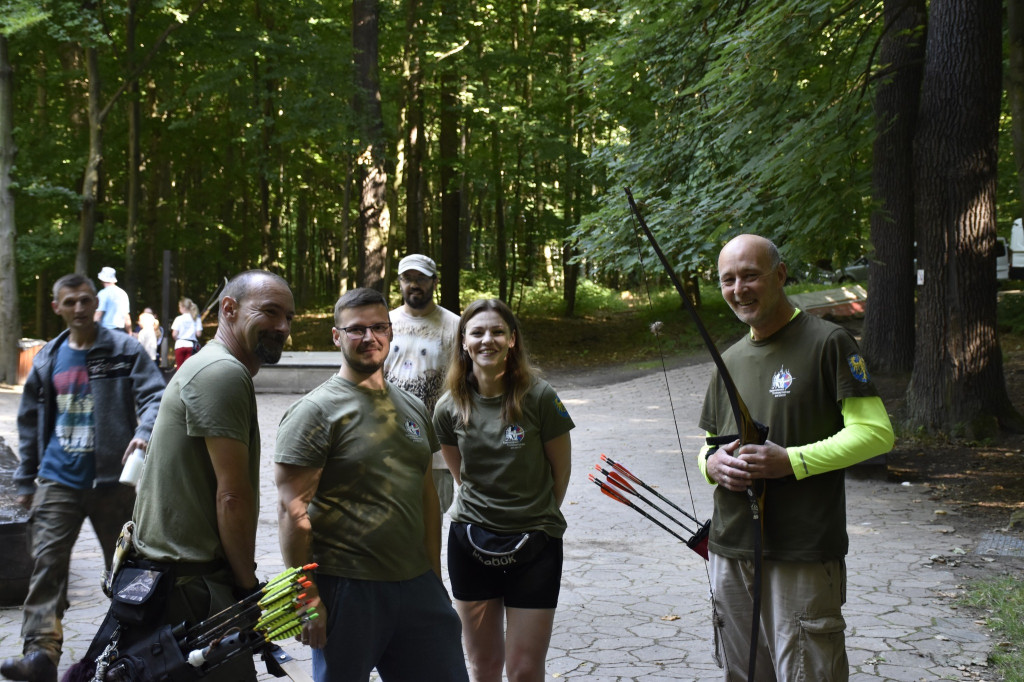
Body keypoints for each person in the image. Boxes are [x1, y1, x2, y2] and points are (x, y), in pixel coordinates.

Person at [697, 234, 895, 681]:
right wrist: (711, 466)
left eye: (750, 275)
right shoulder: (727, 359)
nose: (739, 289)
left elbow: (876, 433)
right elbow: (710, 445)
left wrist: (791, 461)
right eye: (728, 280)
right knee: (743, 673)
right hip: (729, 548)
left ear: (780, 274)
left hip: (801, 549)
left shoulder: (828, 342)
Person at [275, 288, 468, 682]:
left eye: (378, 327)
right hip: (348, 588)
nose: (369, 338)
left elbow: (427, 498)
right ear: (336, 336)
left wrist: (434, 580)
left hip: (417, 587)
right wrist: (306, 597)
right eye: (356, 329)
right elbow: (291, 510)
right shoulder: (314, 412)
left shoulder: (412, 407)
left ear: (391, 331)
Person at [129, 270, 294, 680]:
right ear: (229, 309)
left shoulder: (212, 367)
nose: (283, 327)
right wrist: (246, 589)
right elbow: (232, 497)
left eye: (289, 317)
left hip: (177, 579)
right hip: (193, 590)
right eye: (270, 312)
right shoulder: (221, 373)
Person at [2, 273, 165, 682]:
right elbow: (29, 420)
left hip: (114, 483)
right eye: (70, 301)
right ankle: (40, 655)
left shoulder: (123, 349)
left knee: (131, 571)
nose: (79, 308)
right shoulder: (47, 358)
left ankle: (141, 651)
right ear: (58, 307)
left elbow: (154, 396)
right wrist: (25, 481)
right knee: (46, 567)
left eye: (85, 300)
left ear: (97, 304)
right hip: (59, 481)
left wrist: (144, 436)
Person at [432, 298, 574, 682]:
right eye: (477, 332)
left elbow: (561, 472)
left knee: (526, 670)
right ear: (463, 341)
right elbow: (461, 475)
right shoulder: (448, 408)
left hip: (536, 544)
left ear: (512, 339)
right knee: (484, 667)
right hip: (471, 542)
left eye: (497, 331)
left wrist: (534, 515)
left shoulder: (540, 397)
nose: (487, 340)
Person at [383, 253, 461, 511]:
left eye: (421, 278)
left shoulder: (454, 326)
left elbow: (462, 384)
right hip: (389, 441)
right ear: (399, 282)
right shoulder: (384, 323)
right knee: (391, 517)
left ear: (434, 282)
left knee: (431, 517)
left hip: (436, 447)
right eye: (407, 278)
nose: (414, 284)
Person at [93, 266, 131, 334]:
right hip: (120, 332)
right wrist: (130, 333)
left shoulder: (102, 293)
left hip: (106, 332)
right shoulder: (122, 293)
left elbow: (98, 315)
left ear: (102, 279)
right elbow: (126, 317)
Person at [171, 297, 202, 369]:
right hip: (191, 346)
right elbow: (199, 334)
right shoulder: (196, 318)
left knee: (179, 368)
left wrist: (178, 339)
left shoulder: (178, 318)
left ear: (183, 307)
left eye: (179, 307)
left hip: (180, 344)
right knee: (189, 369)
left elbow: (174, 334)